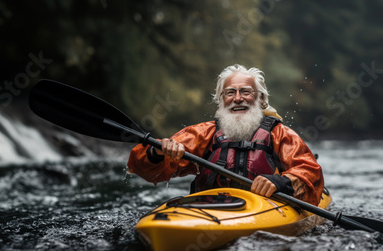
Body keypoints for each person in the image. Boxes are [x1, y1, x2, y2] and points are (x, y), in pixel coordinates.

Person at [127, 64, 324, 205]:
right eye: (230, 93)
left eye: (246, 92)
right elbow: (141, 165)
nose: (237, 99)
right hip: (209, 206)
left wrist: (280, 182)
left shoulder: (281, 135)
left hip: (265, 206)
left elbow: (311, 172)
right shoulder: (204, 134)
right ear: (221, 100)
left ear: (261, 99)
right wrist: (158, 152)